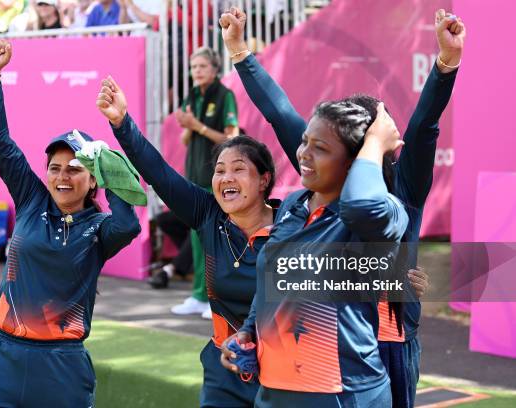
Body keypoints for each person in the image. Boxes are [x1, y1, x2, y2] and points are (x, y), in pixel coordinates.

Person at [219, 7, 464, 407]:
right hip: (324, 349)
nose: (309, 151)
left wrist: (444, 65)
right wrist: (240, 53)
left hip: (390, 342)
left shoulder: (401, 187)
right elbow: (280, 114)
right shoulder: (319, 183)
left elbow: (423, 128)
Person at [0, 39, 141, 407]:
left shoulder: (100, 229)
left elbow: (128, 225)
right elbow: (2, 145)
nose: (62, 176)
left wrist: (107, 168)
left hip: (62, 367)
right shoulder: (32, 199)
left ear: (93, 178)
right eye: (55, 168)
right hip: (0, 359)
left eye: (75, 169)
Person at [96, 75, 275, 407]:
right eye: (219, 171)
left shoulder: (292, 226)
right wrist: (122, 123)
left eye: (238, 169)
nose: (226, 178)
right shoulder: (209, 214)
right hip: (224, 370)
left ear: (264, 179)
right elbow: (159, 173)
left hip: (283, 372)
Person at [172, 46, 240, 319]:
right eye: (193, 67)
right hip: (194, 179)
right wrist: (189, 126)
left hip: (217, 181)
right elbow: (185, 140)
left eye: (201, 66)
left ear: (214, 69)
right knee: (198, 242)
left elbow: (232, 136)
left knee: (217, 241)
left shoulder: (225, 95)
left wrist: (197, 125)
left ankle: (218, 298)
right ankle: (200, 295)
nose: (196, 71)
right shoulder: (192, 96)